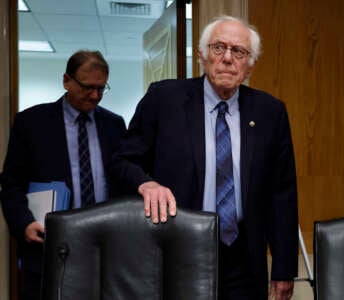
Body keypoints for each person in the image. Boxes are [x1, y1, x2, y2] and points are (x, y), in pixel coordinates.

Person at [111, 16, 298, 300]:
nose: (227, 58)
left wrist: (284, 268)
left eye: (239, 51)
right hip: (176, 250)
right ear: (201, 55)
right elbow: (122, 162)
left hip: (243, 261)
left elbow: (282, 194)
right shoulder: (164, 99)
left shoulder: (270, 112)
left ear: (250, 65)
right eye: (218, 47)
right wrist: (146, 184)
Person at [0, 50, 126, 300]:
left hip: (105, 248)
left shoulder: (114, 125)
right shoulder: (32, 123)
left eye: (102, 88)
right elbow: (11, 185)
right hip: (50, 245)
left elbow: (123, 182)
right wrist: (24, 223)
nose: (95, 96)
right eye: (88, 87)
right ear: (67, 80)